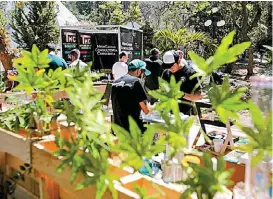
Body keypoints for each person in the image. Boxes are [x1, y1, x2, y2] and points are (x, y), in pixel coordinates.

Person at [111, 59, 151, 133]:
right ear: (138, 71)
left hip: (118, 128)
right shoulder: (136, 81)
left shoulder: (115, 83)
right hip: (133, 129)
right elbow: (146, 110)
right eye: (143, 73)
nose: (143, 76)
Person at [162, 50, 203, 115]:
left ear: (178, 61)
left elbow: (199, 96)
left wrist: (182, 94)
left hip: (183, 114)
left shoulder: (191, 73)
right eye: (167, 67)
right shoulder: (166, 73)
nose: (170, 69)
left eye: (172, 66)